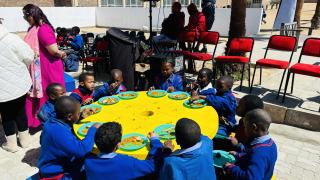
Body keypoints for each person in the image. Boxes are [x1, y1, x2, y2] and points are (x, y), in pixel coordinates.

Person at [23, 4, 67, 128]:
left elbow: (52, 50)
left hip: (47, 67)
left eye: (27, 16)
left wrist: (59, 53)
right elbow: (54, 51)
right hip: (47, 66)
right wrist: (63, 53)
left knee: (50, 93)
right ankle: (49, 119)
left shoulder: (41, 29)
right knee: (52, 93)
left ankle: (41, 120)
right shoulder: (42, 29)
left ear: (34, 15)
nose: (26, 19)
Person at [37, 96, 100, 179]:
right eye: (78, 113)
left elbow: (42, 141)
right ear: (69, 116)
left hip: (50, 164)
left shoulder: (51, 122)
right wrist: (93, 129)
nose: (79, 114)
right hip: (56, 174)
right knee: (95, 165)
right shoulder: (58, 132)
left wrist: (79, 117)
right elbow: (82, 150)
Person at [84, 122, 163, 180]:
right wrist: (155, 141)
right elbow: (152, 166)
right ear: (118, 145)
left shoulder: (88, 162)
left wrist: (92, 129)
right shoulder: (128, 163)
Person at [0, 23, 34, 152]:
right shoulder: (11, 38)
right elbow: (28, 56)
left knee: (6, 115)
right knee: (20, 111)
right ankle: (25, 141)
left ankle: (11, 145)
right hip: (18, 83)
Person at [224, 109, 277, 180]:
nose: (244, 129)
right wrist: (238, 155)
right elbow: (251, 156)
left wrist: (231, 168)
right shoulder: (271, 144)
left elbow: (251, 178)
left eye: (245, 126)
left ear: (253, 127)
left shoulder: (259, 153)